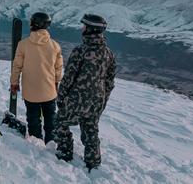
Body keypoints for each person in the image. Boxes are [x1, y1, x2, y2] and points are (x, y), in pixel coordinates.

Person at [54, 14, 116, 172]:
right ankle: (93, 162)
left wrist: (61, 98)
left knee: (60, 122)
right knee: (90, 128)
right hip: (97, 100)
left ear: (90, 30)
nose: (82, 29)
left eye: (84, 26)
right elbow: (109, 81)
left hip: (77, 98)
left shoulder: (80, 51)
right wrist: (103, 100)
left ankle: (65, 152)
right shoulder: (108, 53)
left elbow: (68, 77)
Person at [9, 12, 63, 144]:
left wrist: (14, 83)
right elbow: (58, 68)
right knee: (50, 118)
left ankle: (36, 142)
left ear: (32, 24)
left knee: (33, 118)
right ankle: (51, 142)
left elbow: (17, 66)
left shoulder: (23, 44)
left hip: (30, 91)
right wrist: (56, 83)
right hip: (49, 90)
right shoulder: (55, 45)